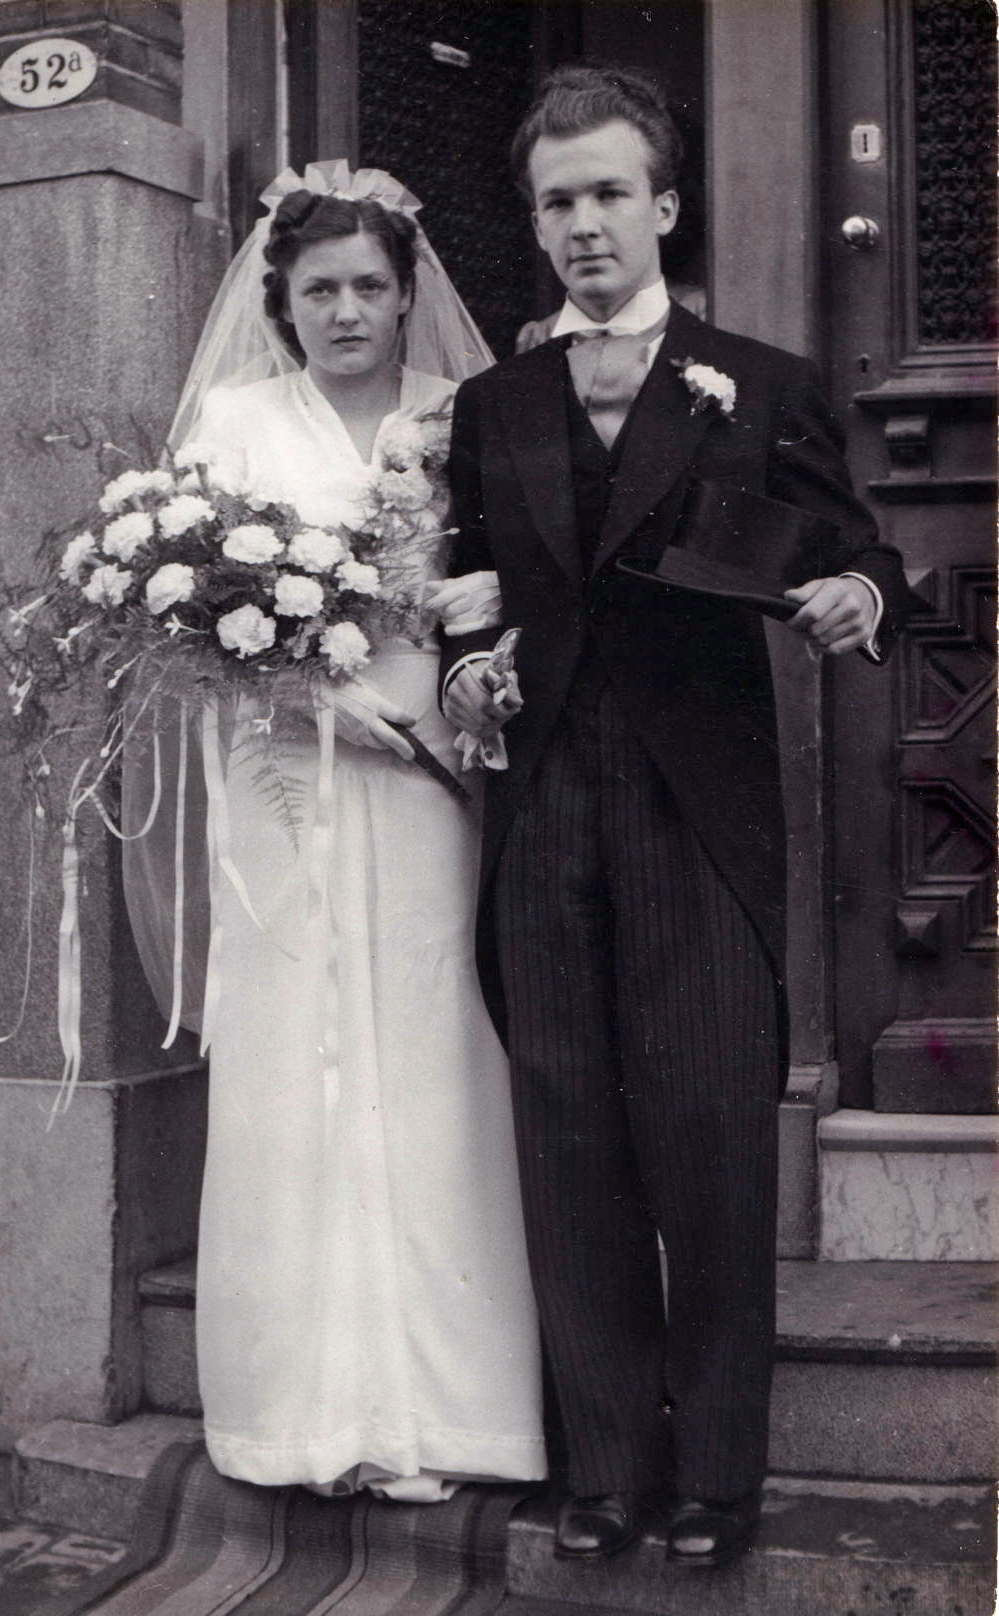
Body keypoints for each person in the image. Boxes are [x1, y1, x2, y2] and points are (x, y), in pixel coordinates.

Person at [442, 66, 918, 1566]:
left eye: (605, 194)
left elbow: (860, 556)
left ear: (661, 205)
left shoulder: (758, 381)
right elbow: (466, 597)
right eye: (554, 203)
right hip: (539, 821)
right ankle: (602, 1472)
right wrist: (468, 672)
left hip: (697, 817)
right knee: (567, 1136)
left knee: (708, 1139)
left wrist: (859, 591)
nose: (582, 225)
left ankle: (716, 1480)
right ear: (535, 227)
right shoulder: (487, 404)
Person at [124, 164, 545, 1501]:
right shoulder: (238, 427)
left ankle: (452, 1405)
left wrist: (465, 682)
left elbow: (497, 588)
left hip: (424, 761)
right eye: (321, 289)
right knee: (297, 1051)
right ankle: (303, 1409)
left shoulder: (459, 417)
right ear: (282, 303)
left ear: (409, 293)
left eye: (372, 284)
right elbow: (182, 618)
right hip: (284, 769)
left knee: (426, 1041)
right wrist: (309, 692)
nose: (348, 308)